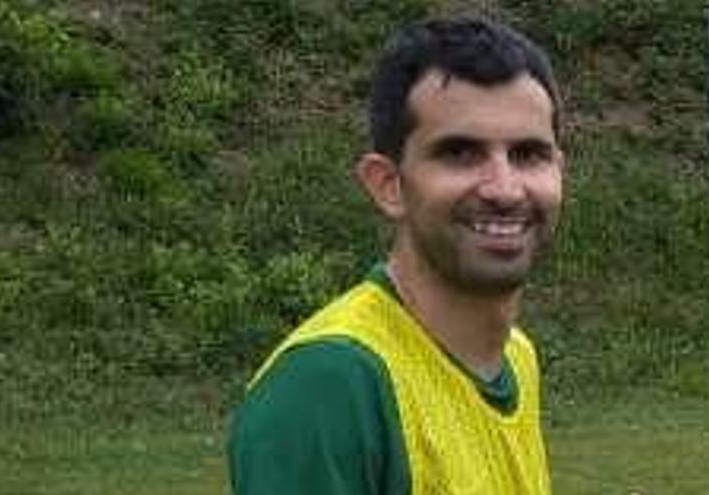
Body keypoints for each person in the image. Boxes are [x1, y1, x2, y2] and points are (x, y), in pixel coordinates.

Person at [228, 16, 564, 495]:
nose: (505, 189)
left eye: (529, 154)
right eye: (460, 153)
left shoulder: (515, 355)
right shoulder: (328, 388)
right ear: (388, 186)